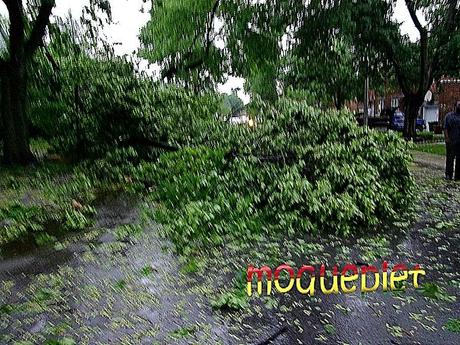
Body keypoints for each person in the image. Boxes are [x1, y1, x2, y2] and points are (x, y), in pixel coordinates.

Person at [444, 101, 460, 180]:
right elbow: (446, 128)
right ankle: (448, 174)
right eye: (458, 105)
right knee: (450, 159)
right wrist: (447, 138)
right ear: (455, 106)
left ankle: (458, 175)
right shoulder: (449, 116)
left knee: (459, 159)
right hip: (451, 141)